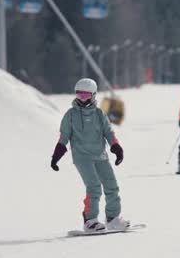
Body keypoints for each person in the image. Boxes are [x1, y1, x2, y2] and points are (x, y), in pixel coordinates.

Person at [51, 78, 127, 232]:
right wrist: (56, 156)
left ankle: (113, 219)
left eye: (85, 95)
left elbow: (109, 132)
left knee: (112, 186)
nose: (82, 99)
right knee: (94, 187)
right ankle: (90, 221)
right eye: (79, 95)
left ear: (93, 95)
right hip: (82, 157)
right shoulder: (70, 115)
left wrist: (116, 147)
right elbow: (63, 137)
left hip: (100, 155)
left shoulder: (99, 114)